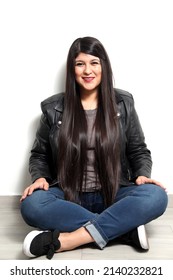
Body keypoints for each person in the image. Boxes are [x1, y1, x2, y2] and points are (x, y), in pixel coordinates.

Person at [20, 36, 168, 259]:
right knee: (31, 205)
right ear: (72, 69)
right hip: (68, 194)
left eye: (94, 63)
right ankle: (124, 231)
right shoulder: (53, 108)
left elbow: (138, 150)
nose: (87, 70)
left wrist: (141, 175)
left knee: (157, 196)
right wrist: (39, 177)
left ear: (104, 67)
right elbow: (39, 154)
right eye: (80, 64)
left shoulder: (123, 103)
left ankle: (69, 240)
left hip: (115, 190)